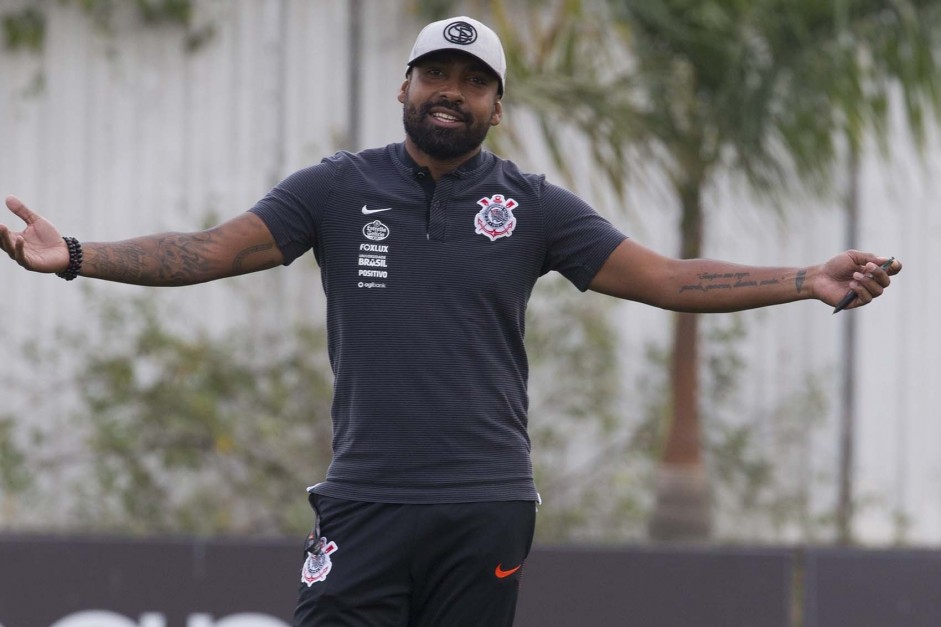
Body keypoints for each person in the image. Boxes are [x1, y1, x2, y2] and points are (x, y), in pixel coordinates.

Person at [0, 14, 900, 627]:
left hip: (484, 504)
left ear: (495, 106)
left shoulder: (534, 206)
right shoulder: (336, 187)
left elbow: (666, 278)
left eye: (474, 82)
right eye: (438, 73)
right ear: (404, 87)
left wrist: (801, 277)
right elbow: (210, 251)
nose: (452, 91)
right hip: (365, 498)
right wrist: (76, 252)